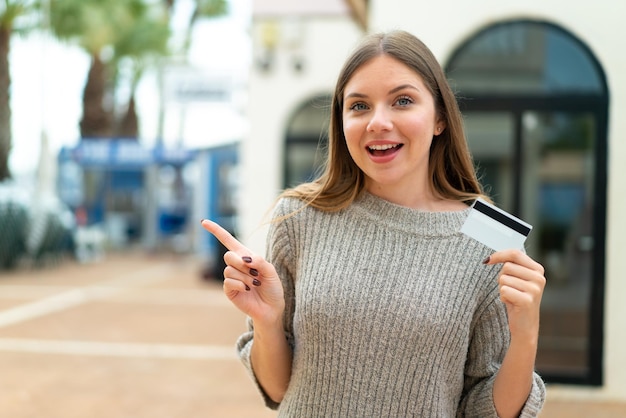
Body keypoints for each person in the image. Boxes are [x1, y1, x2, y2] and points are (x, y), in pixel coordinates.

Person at [202, 29, 546, 417]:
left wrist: (526, 334)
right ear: (341, 120)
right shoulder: (300, 217)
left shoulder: (491, 238)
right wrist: (266, 322)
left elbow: (486, 411)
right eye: (359, 106)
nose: (378, 122)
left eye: (403, 101)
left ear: (440, 120)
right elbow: (279, 390)